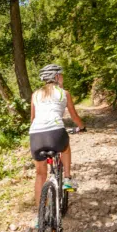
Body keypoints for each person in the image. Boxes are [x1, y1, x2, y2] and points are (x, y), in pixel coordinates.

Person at [30, 64, 86, 218]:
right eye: (60, 75)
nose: (62, 77)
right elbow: (74, 116)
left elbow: (33, 119)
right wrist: (82, 127)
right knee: (65, 147)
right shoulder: (64, 93)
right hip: (56, 133)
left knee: (40, 174)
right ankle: (67, 178)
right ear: (56, 77)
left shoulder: (35, 94)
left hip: (36, 135)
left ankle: (40, 215)